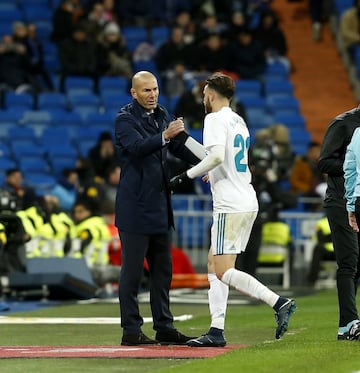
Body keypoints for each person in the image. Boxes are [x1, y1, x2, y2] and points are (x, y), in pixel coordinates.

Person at [170, 72, 296, 347]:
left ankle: (278, 302)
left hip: (230, 203)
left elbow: (215, 156)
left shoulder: (213, 118)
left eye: (204, 93)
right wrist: (186, 139)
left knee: (223, 270)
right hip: (244, 198)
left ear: (211, 94)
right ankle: (216, 330)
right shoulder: (239, 120)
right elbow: (218, 156)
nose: (203, 97)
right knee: (214, 264)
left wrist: (185, 176)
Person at [114, 70, 207, 346]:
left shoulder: (161, 114)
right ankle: (131, 330)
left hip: (160, 207)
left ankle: (164, 326)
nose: (152, 94)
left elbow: (178, 147)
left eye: (155, 89)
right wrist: (165, 135)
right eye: (146, 91)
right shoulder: (124, 120)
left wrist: (208, 164)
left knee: (162, 272)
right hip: (135, 208)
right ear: (134, 93)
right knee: (132, 273)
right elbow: (138, 147)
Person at [318, 106, 360, 341]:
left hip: (358, 200)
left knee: (357, 263)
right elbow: (324, 162)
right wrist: (352, 164)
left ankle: (349, 322)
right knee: (349, 261)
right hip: (341, 201)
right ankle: (348, 323)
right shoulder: (343, 123)